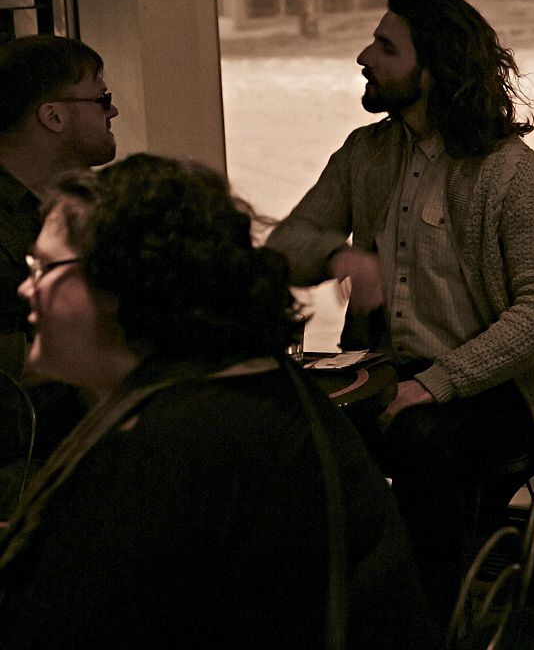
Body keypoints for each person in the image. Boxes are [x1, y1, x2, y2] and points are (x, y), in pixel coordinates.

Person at [0, 154, 439, 649]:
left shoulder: (175, 444)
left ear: (120, 280)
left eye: (43, 267)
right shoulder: (251, 390)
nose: (25, 287)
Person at [265, 0, 534, 607]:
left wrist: (436, 383)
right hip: (387, 374)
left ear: (433, 72)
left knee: (420, 442)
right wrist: (338, 253)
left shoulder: (510, 171)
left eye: (385, 47)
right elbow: (284, 246)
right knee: (280, 426)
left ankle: (420, 615)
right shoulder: (365, 152)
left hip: (494, 388)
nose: (363, 56)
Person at [0, 35, 115, 517]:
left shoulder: (71, 207)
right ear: (53, 116)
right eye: (101, 98)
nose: (113, 112)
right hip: (23, 467)